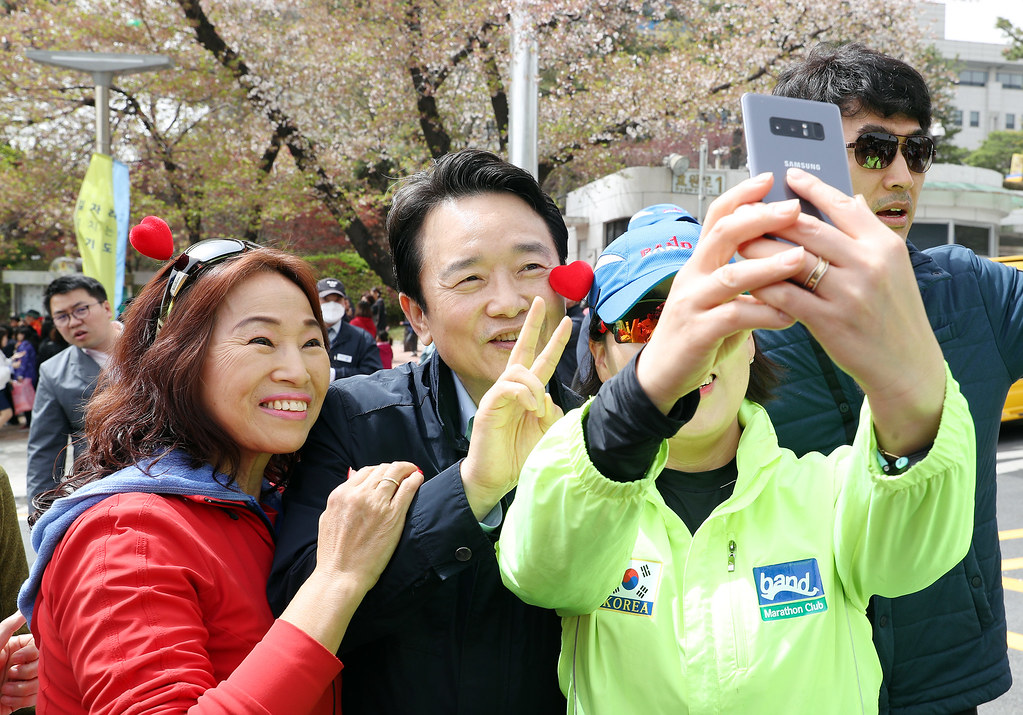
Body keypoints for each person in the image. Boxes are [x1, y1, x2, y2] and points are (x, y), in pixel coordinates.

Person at [498, 171, 976, 713]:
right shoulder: (568, 491)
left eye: (716, 316)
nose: (692, 347)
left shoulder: (827, 494)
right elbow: (544, 571)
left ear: (750, 340)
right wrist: (638, 404)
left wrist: (907, 378)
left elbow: (911, 558)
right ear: (600, 355)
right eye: (646, 321)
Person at [17, 238, 423, 713]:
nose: (299, 370)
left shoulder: (277, 502)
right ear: (177, 359)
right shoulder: (128, 534)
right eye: (260, 341)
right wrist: (337, 579)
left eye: (312, 342)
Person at [754, 43, 1021, 714]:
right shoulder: (740, 316)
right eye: (873, 150)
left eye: (917, 151)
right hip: (792, 679)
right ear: (802, 160)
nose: (901, 175)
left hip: (943, 677)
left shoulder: (973, 290)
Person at [268, 148, 578, 714]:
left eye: (530, 268)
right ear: (418, 315)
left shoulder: (604, 415)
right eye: (470, 278)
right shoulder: (354, 420)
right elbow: (296, 605)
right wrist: (468, 492)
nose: (507, 302)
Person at [25, 276, 119, 507]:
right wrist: (41, 520)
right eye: (62, 316)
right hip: (102, 498)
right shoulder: (54, 373)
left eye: (81, 310)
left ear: (106, 307)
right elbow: (44, 454)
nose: (74, 322)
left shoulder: (158, 346)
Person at [317, 277, 382, 380]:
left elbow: (375, 375)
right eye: (326, 300)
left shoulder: (363, 339)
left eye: (337, 300)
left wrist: (336, 374)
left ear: (345, 303)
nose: (332, 305)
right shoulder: (301, 335)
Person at [10, 326, 37, 428]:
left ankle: (29, 422)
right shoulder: (26, 345)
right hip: (29, 375)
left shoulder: (24, 346)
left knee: (27, 400)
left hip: (25, 376)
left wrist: (20, 375)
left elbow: (23, 362)